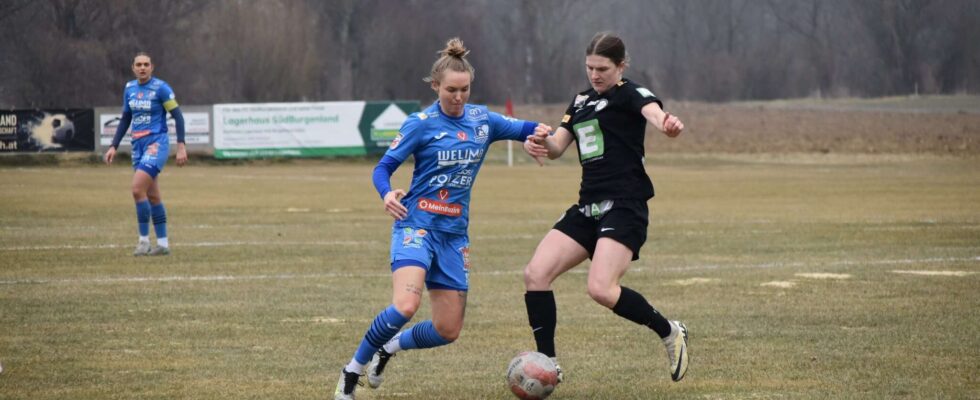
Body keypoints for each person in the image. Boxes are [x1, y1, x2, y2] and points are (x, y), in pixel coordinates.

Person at [333, 38, 551, 400]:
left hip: (454, 236)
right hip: (416, 225)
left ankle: (391, 348)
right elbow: (383, 168)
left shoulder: (484, 120)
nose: (459, 97)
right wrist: (386, 193)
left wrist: (538, 137)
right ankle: (351, 373)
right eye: (451, 90)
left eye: (465, 89)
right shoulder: (420, 123)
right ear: (436, 86)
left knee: (448, 330)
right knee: (405, 305)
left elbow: (531, 128)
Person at [521, 32, 689, 383]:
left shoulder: (631, 93)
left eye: (603, 68)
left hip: (625, 205)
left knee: (601, 288)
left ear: (621, 66)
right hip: (588, 206)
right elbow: (557, 147)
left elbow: (655, 115)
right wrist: (539, 144)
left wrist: (668, 125)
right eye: (589, 68)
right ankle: (548, 364)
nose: (595, 75)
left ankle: (670, 331)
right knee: (536, 275)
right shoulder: (581, 100)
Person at [104, 52, 187, 256]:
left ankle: (143, 241)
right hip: (137, 145)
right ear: (133, 67)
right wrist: (114, 145)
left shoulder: (161, 89)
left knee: (136, 189)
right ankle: (163, 244)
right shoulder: (129, 88)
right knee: (152, 195)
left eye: (146, 64)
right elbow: (125, 119)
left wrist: (181, 146)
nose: (142, 67)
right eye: (139, 64)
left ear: (152, 67)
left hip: (156, 143)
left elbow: (178, 116)